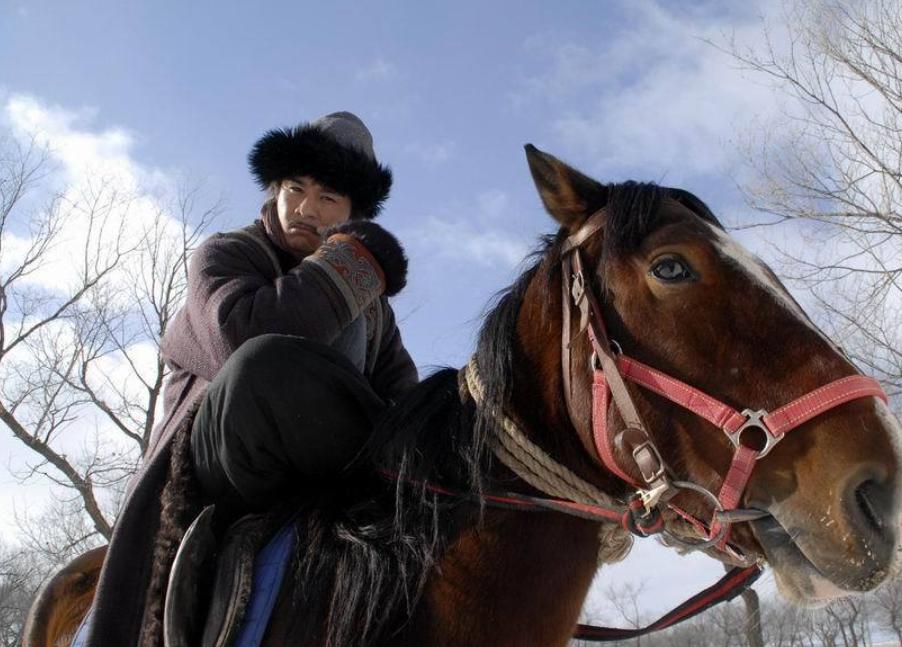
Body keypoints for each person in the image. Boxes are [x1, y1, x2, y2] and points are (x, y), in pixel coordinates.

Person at [80, 111, 417, 646]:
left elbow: (403, 404)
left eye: (329, 198)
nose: (306, 208)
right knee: (265, 363)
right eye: (294, 188)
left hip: (329, 465)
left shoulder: (375, 316)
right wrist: (351, 264)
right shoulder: (227, 253)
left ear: (353, 214)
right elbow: (241, 338)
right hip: (220, 447)